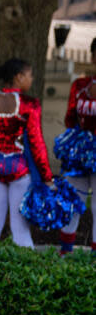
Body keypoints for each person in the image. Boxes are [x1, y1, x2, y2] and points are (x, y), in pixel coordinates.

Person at [0, 58, 53, 248]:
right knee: (21, 228)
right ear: (19, 77)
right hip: (19, 167)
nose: (32, 79)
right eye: (30, 75)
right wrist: (47, 177)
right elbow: (36, 143)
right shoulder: (29, 104)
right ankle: (25, 273)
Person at [55, 37, 96, 255]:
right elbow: (70, 117)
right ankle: (66, 253)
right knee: (72, 201)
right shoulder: (80, 85)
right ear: (92, 57)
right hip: (78, 154)